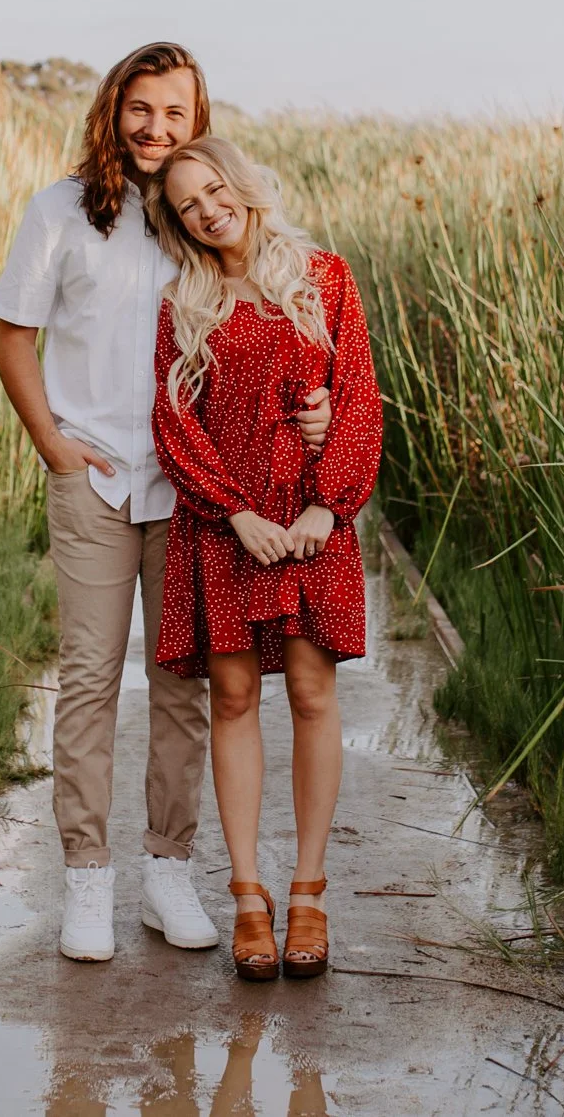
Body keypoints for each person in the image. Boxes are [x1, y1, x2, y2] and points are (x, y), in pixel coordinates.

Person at [0, 45, 333, 962]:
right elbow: (13, 338)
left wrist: (319, 411)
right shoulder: (60, 210)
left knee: (185, 684)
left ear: (197, 120)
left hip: (195, 491)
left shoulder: (197, 216)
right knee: (94, 676)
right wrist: (55, 447)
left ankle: (167, 871)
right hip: (98, 479)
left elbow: (285, 323)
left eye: (174, 113)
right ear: (114, 110)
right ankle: (89, 881)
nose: (155, 128)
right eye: (140, 109)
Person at [146, 136, 381, 982]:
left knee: (315, 692)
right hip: (227, 521)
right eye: (187, 205)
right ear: (177, 222)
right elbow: (174, 423)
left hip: (313, 515)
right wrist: (235, 512)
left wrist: (328, 501)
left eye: (214, 189)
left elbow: (355, 394)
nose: (209, 209)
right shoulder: (184, 301)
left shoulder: (325, 276)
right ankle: (249, 896)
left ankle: (309, 892)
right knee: (235, 694)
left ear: (241, 183)